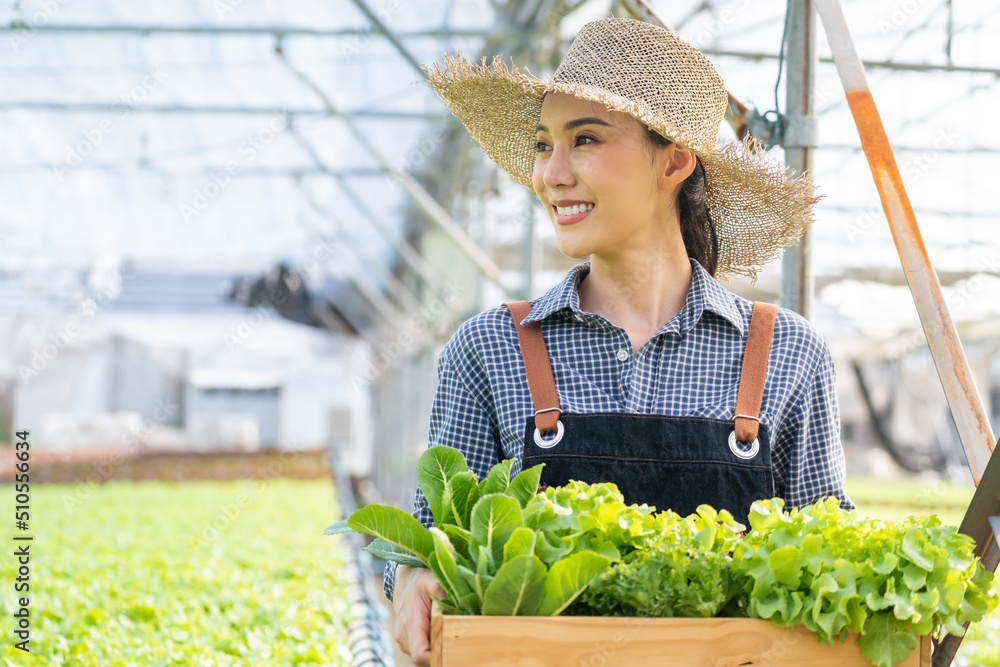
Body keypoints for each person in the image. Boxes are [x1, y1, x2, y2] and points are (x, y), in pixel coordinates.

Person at [384, 16, 854, 665]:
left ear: (676, 159)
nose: (552, 172)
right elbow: (425, 539)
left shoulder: (788, 354)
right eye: (544, 144)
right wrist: (411, 579)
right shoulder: (490, 349)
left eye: (585, 140)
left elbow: (833, 560)